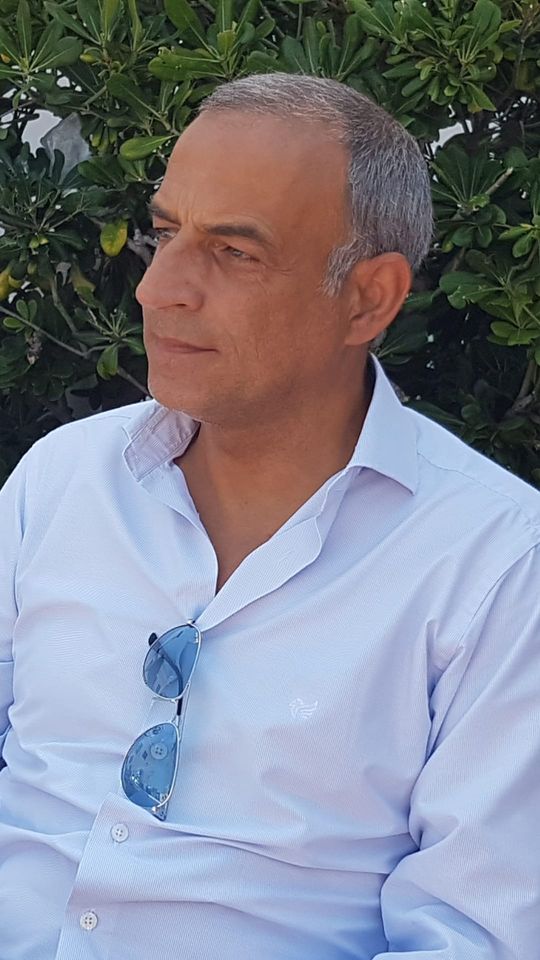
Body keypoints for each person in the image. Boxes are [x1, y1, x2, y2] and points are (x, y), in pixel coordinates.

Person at [0, 72, 538, 960]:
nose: (159, 289)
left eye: (233, 252)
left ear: (369, 298)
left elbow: (476, 937)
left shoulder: (496, 565)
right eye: (165, 234)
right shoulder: (64, 479)